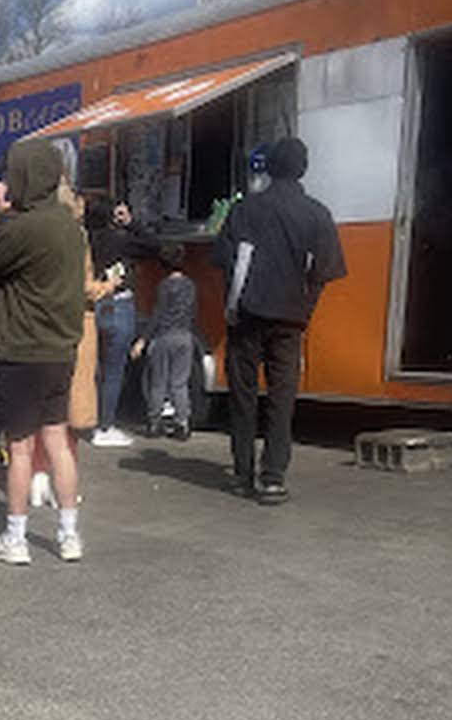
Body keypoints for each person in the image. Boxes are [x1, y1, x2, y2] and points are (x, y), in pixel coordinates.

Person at [0, 136, 86, 563]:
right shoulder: (69, 226)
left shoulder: (24, 228)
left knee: (20, 448)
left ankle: (16, 539)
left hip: (22, 352)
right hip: (61, 350)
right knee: (58, 442)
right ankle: (69, 534)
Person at [213, 136, 346, 504]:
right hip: (290, 320)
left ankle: (242, 474)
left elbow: (225, 262)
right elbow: (323, 271)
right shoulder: (317, 213)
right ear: (303, 168)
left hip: (246, 316)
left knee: (242, 395)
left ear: (269, 168)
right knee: (282, 397)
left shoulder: (244, 209)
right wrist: (304, 309)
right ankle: (273, 478)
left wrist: (233, 305)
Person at [30, 183, 118, 508]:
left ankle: (37, 477)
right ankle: (62, 486)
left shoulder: (37, 233)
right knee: (72, 412)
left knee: (44, 408)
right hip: (77, 327)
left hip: (43, 328)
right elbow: (82, 287)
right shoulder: (75, 236)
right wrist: (108, 286)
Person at [86, 197, 156, 448]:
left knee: (94, 368)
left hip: (94, 303)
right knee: (114, 370)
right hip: (118, 303)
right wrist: (132, 222)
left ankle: (88, 417)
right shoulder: (120, 240)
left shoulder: (86, 239)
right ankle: (104, 426)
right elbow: (153, 245)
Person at [131, 242, 197, 440]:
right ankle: (182, 424)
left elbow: (157, 314)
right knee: (180, 383)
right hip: (185, 336)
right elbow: (193, 312)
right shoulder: (190, 285)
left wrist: (143, 339)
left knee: (158, 382)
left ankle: (154, 422)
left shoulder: (165, 285)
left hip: (164, 337)